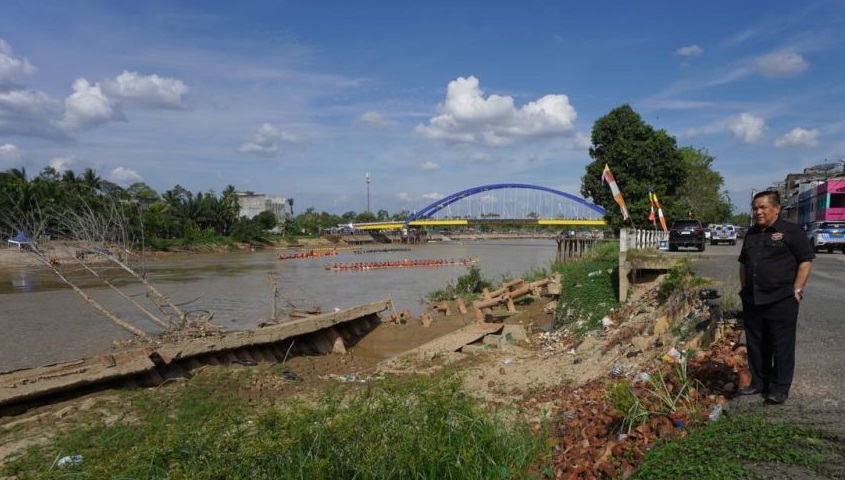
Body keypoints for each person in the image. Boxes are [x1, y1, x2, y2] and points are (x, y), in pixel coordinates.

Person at [738, 190, 814, 405]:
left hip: (781, 299)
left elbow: (806, 261)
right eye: (755, 208)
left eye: (762, 207)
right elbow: (744, 263)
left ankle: (779, 388)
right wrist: (744, 290)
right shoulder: (752, 233)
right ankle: (759, 382)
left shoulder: (792, 232)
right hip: (753, 299)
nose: (758, 212)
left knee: (781, 345)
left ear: (777, 209)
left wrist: (797, 290)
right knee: (756, 343)